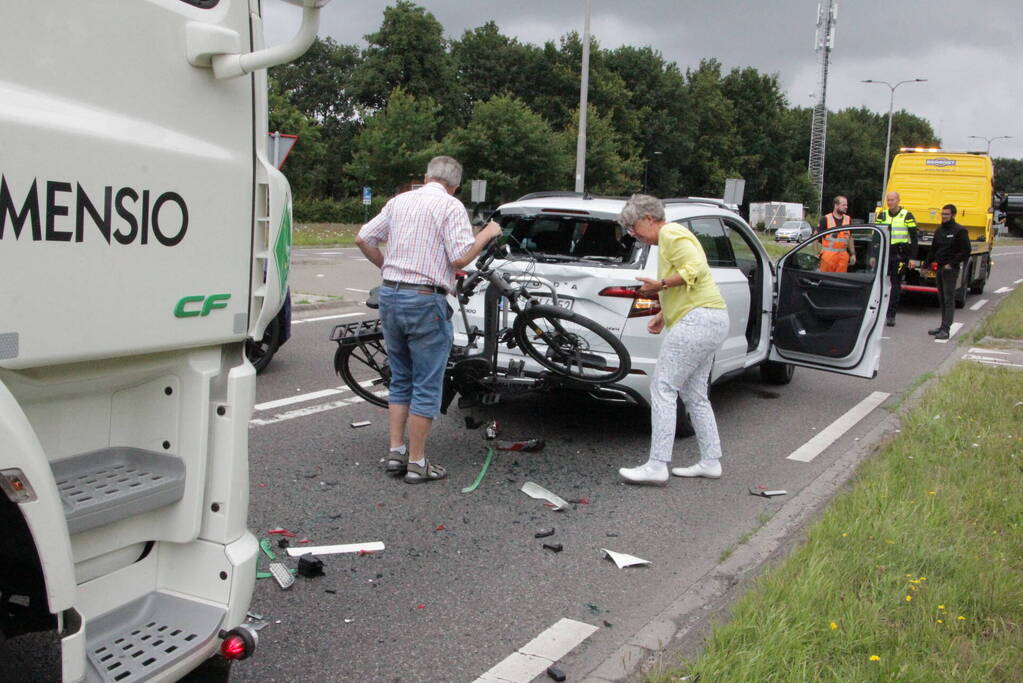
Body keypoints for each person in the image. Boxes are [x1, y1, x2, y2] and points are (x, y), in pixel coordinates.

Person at [355, 156, 502, 483]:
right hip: (424, 299)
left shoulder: (399, 201)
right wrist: (488, 233)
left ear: (426, 177)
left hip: (391, 295)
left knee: (401, 377)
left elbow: (363, 238)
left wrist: (388, 267)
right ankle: (418, 462)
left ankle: (396, 452)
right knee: (427, 382)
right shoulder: (451, 207)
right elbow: (460, 256)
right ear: (456, 185)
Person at [616, 195, 729, 485]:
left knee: (663, 387)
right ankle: (710, 460)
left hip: (699, 320)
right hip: (710, 318)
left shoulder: (671, 233)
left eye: (633, 226)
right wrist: (663, 315)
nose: (633, 234)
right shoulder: (669, 237)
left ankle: (657, 465)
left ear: (649, 219)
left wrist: (662, 284)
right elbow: (691, 286)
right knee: (694, 394)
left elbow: (696, 270)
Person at [919, 204, 971, 340]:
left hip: (950, 269)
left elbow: (966, 251)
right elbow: (933, 250)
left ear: (953, 215)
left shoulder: (960, 231)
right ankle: (942, 326)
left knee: (948, 299)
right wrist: (925, 266)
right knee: (941, 298)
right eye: (942, 214)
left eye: (946, 214)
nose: (944, 217)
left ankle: (946, 329)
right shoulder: (939, 230)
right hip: (939, 268)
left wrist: (952, 264)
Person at [875, 191, 919, 327]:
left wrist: (912, 258)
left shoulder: (907, 215)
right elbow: (876, 236)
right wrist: (874, 255)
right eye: (888, 200)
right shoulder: (883, 215)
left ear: (898, 200)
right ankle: (877, 313)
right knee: (880, 283)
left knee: (896, 283)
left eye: (892, 200)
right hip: (885, 253)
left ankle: (891, 315)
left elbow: (914, 238)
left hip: (899, 254)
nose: (890, 202)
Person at [816, 195, 856, 273]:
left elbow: (850, 238)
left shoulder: (848, 219)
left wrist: (852, 253)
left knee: (840, 282)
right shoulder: (825, 219)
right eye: (843, 205)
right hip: (827, 258)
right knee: (825, 281)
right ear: (836, 205)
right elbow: (815, 239)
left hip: (842, 258)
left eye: (846, 205)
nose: (846, 207)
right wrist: (816, 256)